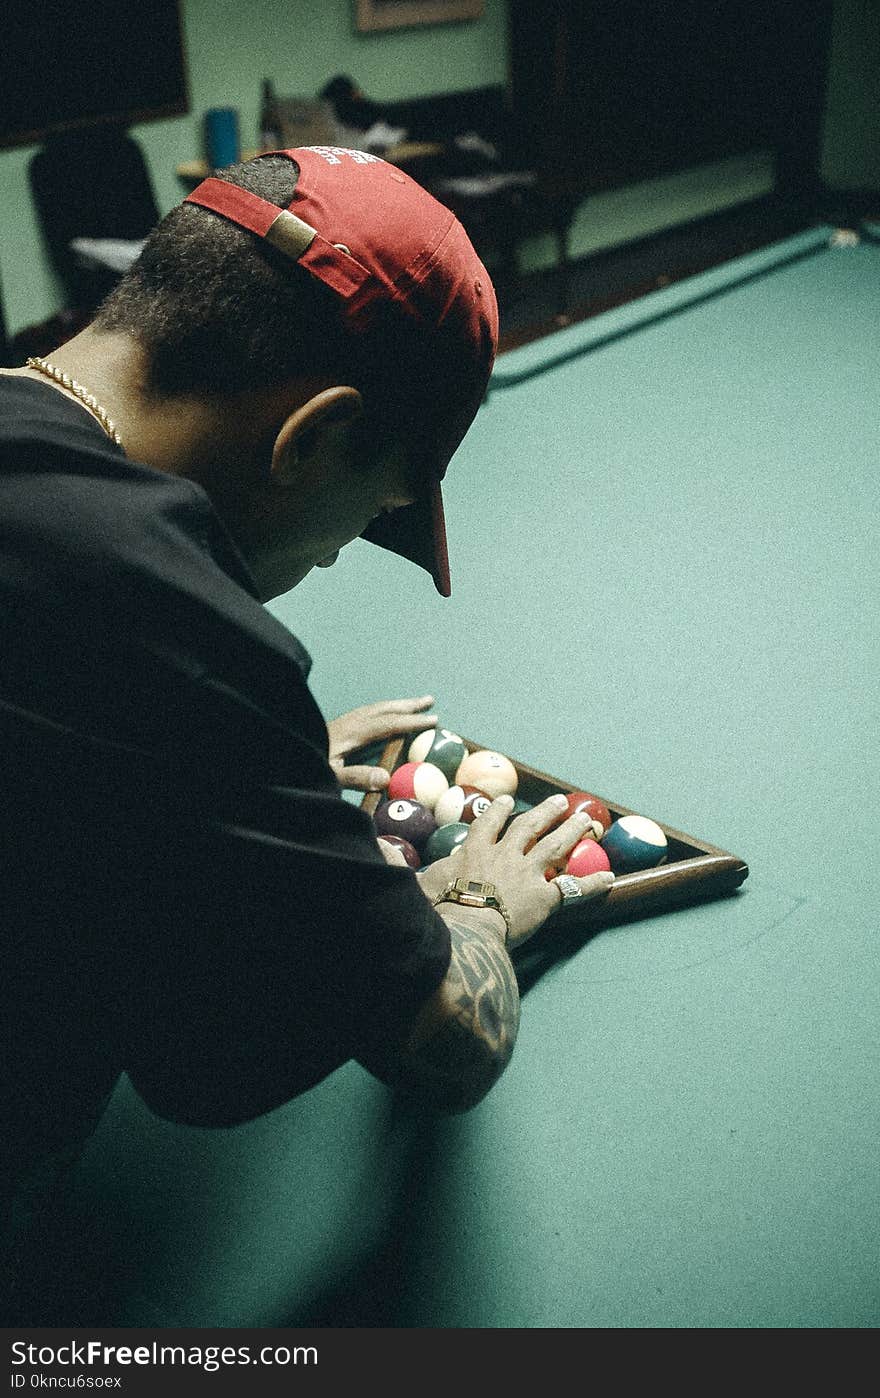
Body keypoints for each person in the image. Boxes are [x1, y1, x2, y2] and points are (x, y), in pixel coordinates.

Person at [0, 147, 613, 1320]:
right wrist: (480, 909)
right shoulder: (160, 613)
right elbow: (436, 1042)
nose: (336, 552)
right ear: (311, 436)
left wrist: (225, 764)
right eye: (370, 513)